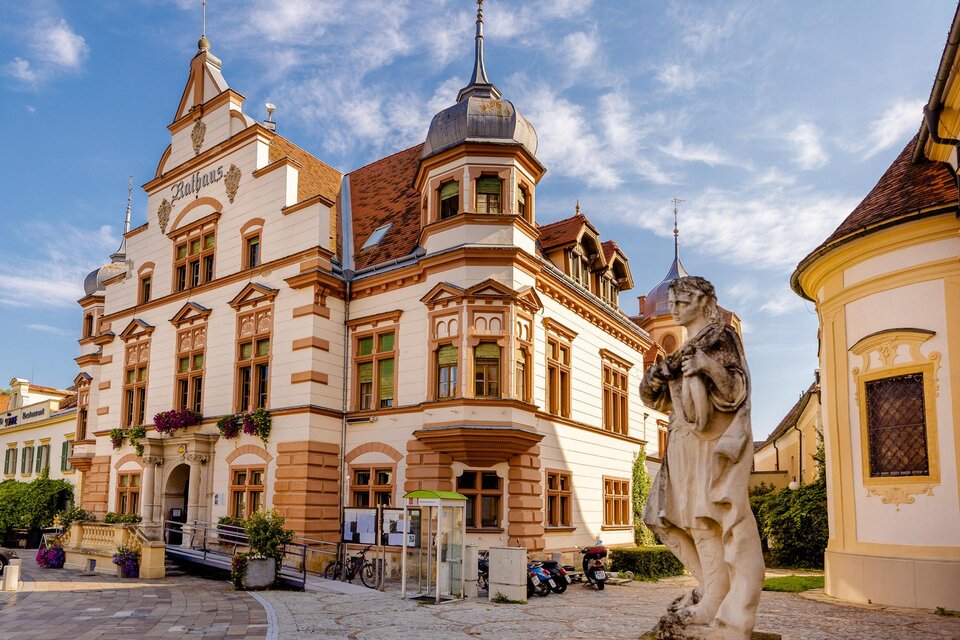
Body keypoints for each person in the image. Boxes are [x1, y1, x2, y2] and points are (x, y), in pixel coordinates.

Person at [641, 276, 763, 640]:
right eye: (673, 300)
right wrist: (656, 378)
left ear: (703, 300)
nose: (673, 306)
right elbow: (656, 400)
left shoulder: (721, 337)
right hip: (680, 439)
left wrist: (706, 366)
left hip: (710, 441)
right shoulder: (683, 350)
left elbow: (735, 391)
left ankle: (721, 601)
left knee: (708, 519)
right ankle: (713, 590)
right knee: (664, 518)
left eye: (682, 300)